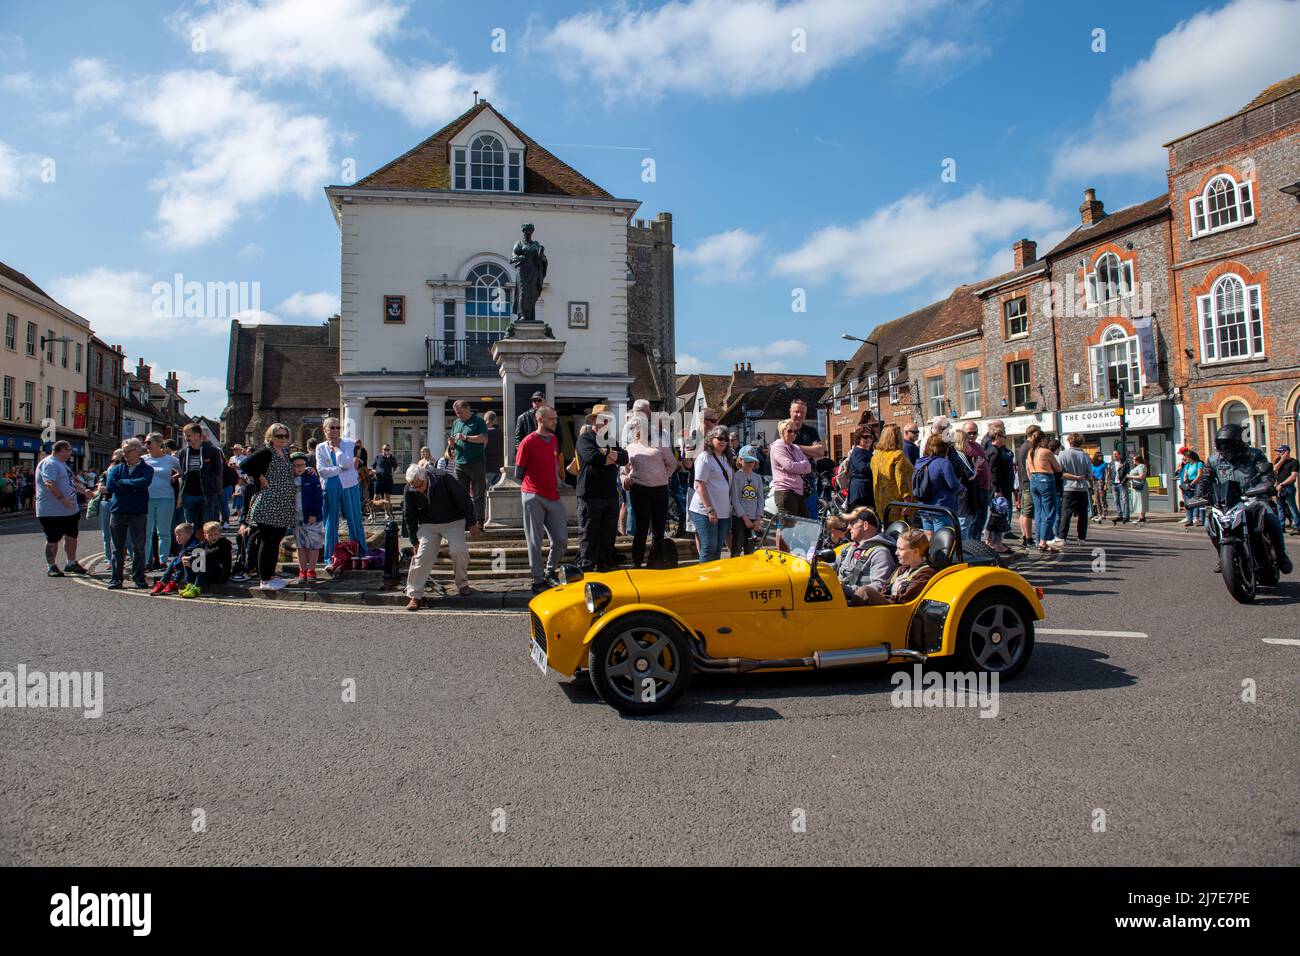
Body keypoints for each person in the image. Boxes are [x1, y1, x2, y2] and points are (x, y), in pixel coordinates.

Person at [1196, 424, 1292, 575]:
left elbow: (1266, 473)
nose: (1225, 448)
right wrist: (1198, 495)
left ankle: (1281, 555)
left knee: (1270, 517)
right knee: (1209, 524)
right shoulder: (1214, 460)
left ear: (1238, 442)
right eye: (1222, 445)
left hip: (1254, 499)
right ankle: (1223, 556)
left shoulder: (1255, 455)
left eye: (1228, 444)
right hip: (1228, 502)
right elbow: (1205, 479)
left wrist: (1266, 484)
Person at [403, 462, 480, 609]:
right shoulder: (410, 489)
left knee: (459, 550)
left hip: (453, 520)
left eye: (419, 485)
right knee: (422, 556)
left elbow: (464, 499)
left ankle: (462, 584)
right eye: (414, 486)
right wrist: (414, 541)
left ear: (425, 476)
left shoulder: (444, 478)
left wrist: (471, 523)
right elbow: (409, 516)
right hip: (428, 525)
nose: (417, 490)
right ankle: (414, 595)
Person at [517, 404, 567, 594]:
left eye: (555, 418)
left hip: (553, 495)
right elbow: (519, 472)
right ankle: (537, 580)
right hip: (533, 495)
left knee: (561, 539)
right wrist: (532, 490)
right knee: (534, 541)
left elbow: (553, 466)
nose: (555, 421)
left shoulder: (554, 440)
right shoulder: (527, 442)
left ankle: (549, 571)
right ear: (540, 419)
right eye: (552, 419)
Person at [241, 423, 296, 590]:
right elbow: (244, 465)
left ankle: (270, 575)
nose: (283, 439)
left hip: (281, 504)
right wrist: (259, 476)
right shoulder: (266, 451)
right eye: (279, 436)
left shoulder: (285, 453)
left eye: (285, 436)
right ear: (270, 437)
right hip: (268, 502)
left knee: (275, 541)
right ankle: (264, 579)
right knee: (268, 541)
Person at [575, 404, 627, 572]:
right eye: (600, 419)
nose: (604, 422)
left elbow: (625, 458)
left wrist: (606, 452)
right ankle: (588, 569)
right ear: (593, 421)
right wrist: (612, 457)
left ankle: (605, 566)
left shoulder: (611, 440)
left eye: (606, 419)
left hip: (610, 495)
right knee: (589, 533)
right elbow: (593, 458)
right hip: (590, 495)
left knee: (608, 534)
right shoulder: (585, 439)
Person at [623, 409, 677, 568]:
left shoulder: (660, 444)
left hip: (660, 490)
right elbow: (624, 470)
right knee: (641, 528)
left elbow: (672, 463)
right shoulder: (630, 448)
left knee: (659, 530)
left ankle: (658, 561)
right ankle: (637, 563)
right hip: (639, 490)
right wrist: (625, 479)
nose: (637, 432)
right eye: (634, 429)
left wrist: (664, 476)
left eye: (639, 429)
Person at [315, 416, 366, 564]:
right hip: (330, 487)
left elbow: (346, 462)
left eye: (338, 427)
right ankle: (330, 557)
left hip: (349, 486)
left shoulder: (349, 444)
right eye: (332, 428)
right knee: (331, 522)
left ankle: (360, 553)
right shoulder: (320, 447)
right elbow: (322, 471)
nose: (335, 431)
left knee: (354, 519)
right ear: (325, 430)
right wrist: (339, 469)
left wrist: (336, 448)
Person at [35, 440, 89, 577]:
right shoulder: (50, 463)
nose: (71, 452)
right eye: (70, 450)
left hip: (70, 510)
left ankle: (71, 563)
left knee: (71, 536)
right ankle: (51, 566)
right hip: (52, 510)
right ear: (63, 449)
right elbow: (49, 483)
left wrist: (84, 491)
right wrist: (62, 499)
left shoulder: (63, 464)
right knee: (53, 539)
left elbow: (70, 482)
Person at [105, 438, 153, 589]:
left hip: (138, 511)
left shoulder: (147, 469)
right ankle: (116, 579)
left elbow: (144, 482)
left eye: (128, 451)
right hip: (118, 511)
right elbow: (111, 486)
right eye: (123, 451)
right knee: (117, 547)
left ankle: (139, 578)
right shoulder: (116, 469)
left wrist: (123, 483)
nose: (124, 454)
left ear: (138, 451)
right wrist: (132, 486)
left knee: (138, 547)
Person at [852, 529, 935, 605]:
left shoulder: (926, 573)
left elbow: (904, 599)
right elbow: (884, 589)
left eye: (901, 549)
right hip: (889, 607)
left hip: (899, 612)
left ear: (915, 551)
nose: (896, 553)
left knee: (864, 591)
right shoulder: (902, 569)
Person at [689, 426, 734, 563]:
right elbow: (699, 485)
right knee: (709, 547)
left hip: (723, 512)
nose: (723, 441)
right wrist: (710, 509)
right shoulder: (705, 457)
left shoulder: (726, 458)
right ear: (711, 439)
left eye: (726, 439)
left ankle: (714, 578)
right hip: (705, 510)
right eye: (720, 438)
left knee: (718, 548)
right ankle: (704, 580)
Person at [834, 507, 897, 594]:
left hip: (856, 603)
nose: (848, 527)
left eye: (852, 522)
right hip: (837, 597)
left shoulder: (880, 553)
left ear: (865, 525)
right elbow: (832, 565)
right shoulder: (849, 547)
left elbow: (879, 587)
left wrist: (846, 589)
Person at [141, 433, 179, 571]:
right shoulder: (143, 459)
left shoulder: (170, 460)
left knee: (163, 531)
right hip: (147, 498)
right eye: (145, 443)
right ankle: (146, 561)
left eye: (148, 442)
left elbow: (182, 472)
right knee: (146, 532)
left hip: (166, 498)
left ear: (158, 443)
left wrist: (174, 478)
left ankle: (163, 561)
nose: (146, 445)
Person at [176, 422, 224, 529]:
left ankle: (205, 546)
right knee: (189, 527)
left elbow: (217, 471)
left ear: (198, 435)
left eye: (189, 435)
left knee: (206, 527)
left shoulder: (212, 451)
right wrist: (181, 495)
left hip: (206, 495)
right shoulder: (182, 453)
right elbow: (183, 474)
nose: (186, 438)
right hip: (189, 494)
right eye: (184, 435)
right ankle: (192, 546)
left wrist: (217, 491)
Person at [450, 400, 490, 529]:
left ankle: (479, 521)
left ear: (468, 409)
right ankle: (464, 521)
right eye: (456, 413)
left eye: (460, 412)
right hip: (459, 463)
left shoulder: (478, 421)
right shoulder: (456, 423)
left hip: (475, 462)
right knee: (462, 494)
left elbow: (484, 438)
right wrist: (451, 443)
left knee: (478, 494)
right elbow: (453, 444)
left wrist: (466, 437)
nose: (458, 415)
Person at [913, 434, 961, 533]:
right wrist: (962, 487)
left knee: (930, 542)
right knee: (942, 542)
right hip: (941, 508)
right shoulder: (943, 463)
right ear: (944, 448)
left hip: (924, 507)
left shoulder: (919, 463)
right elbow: (954, 486)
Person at [289, 452, 324, 583]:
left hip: (312, 516)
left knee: (314, 545)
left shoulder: (311, 476)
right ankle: (302, 571)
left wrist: (314, 514)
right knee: (301, 546)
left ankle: (312, 570)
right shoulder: (288, 477)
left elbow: (318, 497)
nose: (299, 468)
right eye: (296, 465)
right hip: (297, 517)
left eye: (302, 465)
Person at [787, 398, 824, 519]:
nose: (799, 415)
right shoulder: (783, 430)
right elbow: (785, 453)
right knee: (787, 521)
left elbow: (820, 451)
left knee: (810, 518)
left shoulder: (811, 431)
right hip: (789, 482)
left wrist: (795, 447)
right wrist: (809, 451)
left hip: (808, 481)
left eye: (802, 412)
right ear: (790, 412)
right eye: (796, 411)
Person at [871, 423, 914, 522]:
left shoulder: (876, 456)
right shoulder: (898, 455)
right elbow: (902, 481)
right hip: (896, 505)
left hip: (881, 504)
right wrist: (907, 503)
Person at [1027, 431, 1062, 551]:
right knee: (1049, 512)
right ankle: (1043, 541)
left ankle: (1039, 541)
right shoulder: (1045, 452)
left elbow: (1028, 469)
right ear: (1042, 440)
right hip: (1046, 479)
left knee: (1038, 512)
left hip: (1034, 481)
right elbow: (1058, 468)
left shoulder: (1030, 452)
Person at [770, 418, 812, 519]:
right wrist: (802, 464)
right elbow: (789, 466)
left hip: (799, 491)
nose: (793, 434)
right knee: (788, 530)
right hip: (785, 491)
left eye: (795, 431)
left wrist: (798, 465)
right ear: (782, 431)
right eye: (789, 431)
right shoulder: (778, 447)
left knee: (804, 524)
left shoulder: (796, 448)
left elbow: (809, 467)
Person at [1057, 433, 1093, 545]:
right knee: (1083, 515)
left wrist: (1073, 477)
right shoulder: (1086, 456)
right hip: (1082, 488)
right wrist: (1079, 477)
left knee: (1066, 514)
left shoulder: (1062, 454)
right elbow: (1089, 474)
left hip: (1068, 488)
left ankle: (1062, 537)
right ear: (1081, 442)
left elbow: (1059, 473)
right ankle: (1081, 538)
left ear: (1069, 441)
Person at [729, 445, 765, 556]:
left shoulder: (758, 478)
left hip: (754, 518)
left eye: (752, 461)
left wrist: (758, 518)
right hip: (740, 518)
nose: (750, 463)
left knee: (751, 550)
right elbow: (734, 498)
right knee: (737, 547)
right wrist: (745, 518)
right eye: (747, 460)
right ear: (740, 460)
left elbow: (760, 499)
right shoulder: (736, 476)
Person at [182, 520, 232, 598]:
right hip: (207, 573)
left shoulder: (225, 543)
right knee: (186, 559)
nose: (213, 537)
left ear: (219, 534)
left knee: (203, 558)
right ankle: (190, 584)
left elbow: (211, 553)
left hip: (220, 575)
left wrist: (192, 558)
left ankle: (197, 587)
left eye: (215, 534)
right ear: (205, 535)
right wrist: (184, 556)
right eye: (210, 535)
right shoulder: (205, 543)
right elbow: (188, 550)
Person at [150, 522, 200, 595]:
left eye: (180, 535)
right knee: (175, 559)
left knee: (183, 561)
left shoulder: (194, 544)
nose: (177, 537)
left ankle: (174, 583)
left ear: (189, 536)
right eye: (176, 535)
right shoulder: (184, 544)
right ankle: (162, 582)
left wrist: (177, 565)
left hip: (195, 570)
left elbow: (189, 557)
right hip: (185, 568)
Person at [961, 421, 991, 539]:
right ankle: (973, 549)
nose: (972, 435)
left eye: (975, 433)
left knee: (982, 520)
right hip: (975, 488)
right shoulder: (964, 448)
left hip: (984, 488)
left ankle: (977, 546)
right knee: (974, 521)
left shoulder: (978, 446)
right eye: (969, 433)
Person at [1014, 425, 1042, 544]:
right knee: (1028, 513)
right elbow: (1029, 467)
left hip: (1024, 482)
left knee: (1024, 512)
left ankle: (1025, 536)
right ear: (1034, 434)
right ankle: (1029, 539)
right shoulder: (1029, 447)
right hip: (1028, 482)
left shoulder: (1023, 446)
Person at [846, 426, 874, 510]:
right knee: (861, 520)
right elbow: (862, 468)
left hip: (865, 491)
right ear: (858, 438)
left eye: (870, 437)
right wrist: (875, 462)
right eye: (865, 437)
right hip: (860, 492)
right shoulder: (859, 452)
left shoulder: (865, 451)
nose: (868, 439)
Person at [1272, 445, 1298, 533]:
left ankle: (1297, 526)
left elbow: (1293, 476)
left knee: (1292, 507)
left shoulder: (1294, 462)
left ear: (1286, 452)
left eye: (1280, 451)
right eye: (1278, 452)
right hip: (1279, 487)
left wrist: (1282, 484)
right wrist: (1282, 459)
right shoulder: (1279, 460)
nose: (1278, 453)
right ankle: (1281, 526)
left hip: (1288, 487)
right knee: (1280, 507)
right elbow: (1274, 469)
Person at [514, 391, 545, 460]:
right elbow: (518, 439)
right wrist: (524, 453)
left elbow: (558, 436)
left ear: (544, 401)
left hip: (546, 453)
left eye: (539, 400)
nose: (536, 402)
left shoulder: (550, 416)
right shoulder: (523, 417)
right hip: (530, 454)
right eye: (534, 400)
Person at [1177, 450, 1205, 528]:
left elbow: (1199, 475)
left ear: (1190, 457)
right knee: (1189, 502)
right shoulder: (1188, 465)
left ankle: (1200, 520)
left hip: (1197, 483)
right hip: (1189, 483)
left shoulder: (1199, 464)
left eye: (1186, 457)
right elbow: (1185, 474)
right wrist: (1186, 481)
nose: (1185, 459)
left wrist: (1192, 483)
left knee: (1199, 502)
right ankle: (1190, 520)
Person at [371, 443, 398, 521]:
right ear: (382, 449)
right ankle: (372, 514)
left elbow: (395, 466)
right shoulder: (378, 457)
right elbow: (373, 467)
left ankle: (387, 514)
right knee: (376, 496)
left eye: (388, 449)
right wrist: (375, 471)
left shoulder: (391, 458)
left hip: (388, 479)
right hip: (379, 479)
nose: (386, 451)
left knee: (387, 497)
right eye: (385, 449)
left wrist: (389, 458)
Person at [1107, 449, 1130, 524]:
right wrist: (1110, 482)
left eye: (1116, 454)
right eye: (1113, 454)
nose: (1114, 455)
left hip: (1122, 484)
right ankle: (1119, 514)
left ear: (1119, 455)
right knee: (1116, 500)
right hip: (1114, 484)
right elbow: (1109, 473)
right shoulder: (1111, 464)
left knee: (1125, 500)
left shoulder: (1125, 463)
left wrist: (1123, 482)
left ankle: (1126, 516)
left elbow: (1127, 474)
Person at [1128, 450, 1150, 525]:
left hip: (1141, 486)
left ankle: (1142, 518)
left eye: (1134, 459)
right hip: (1135, 485)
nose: (1133, 461)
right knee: (1137, 501)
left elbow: (1142, 476)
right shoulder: (1136, 467)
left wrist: (1130, 476)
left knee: (1141, 501)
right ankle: (1140, 517)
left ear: (1137, 460)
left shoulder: (1142, 466)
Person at [483, 410, 503, 488]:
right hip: (500, 469)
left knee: (484, 493)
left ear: (487, 420)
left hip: (488, 467)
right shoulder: (502, 433)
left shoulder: (485, 434)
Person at [1091, 451, 1108, 520]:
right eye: (1099, 456)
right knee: (1096, 498)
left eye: (1101, 456)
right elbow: (1091, 472)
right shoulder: (1092, 464)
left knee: (1102, 497)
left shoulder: (1104, 464)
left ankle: (1104, 513)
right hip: (1095, 481)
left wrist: (1106, 483)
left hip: (1101, 481)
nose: (1101, 457)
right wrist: (1091, 476)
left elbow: (1107, 473)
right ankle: (1099, 513)